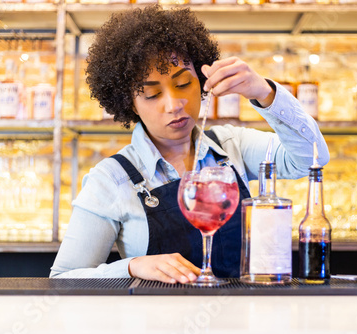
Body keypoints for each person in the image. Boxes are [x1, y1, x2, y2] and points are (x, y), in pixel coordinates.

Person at [50, 5, 329, 284]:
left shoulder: (233, 146)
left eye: (183, 84)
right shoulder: (111, 179)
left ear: (202, 81)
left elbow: (311, 158)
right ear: (129, 104)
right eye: (151, 94)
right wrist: (132, 267)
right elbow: (63, 278)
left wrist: (265, 93)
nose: (174, 105)